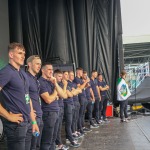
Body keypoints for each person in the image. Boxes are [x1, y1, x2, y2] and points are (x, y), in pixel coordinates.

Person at [0, 42, 39, 150]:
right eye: (20, 53)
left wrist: (33, 121)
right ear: (11, 55)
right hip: (15, 126)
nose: (23, 56)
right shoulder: (6, 72)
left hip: (27, 123)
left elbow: (28, 98)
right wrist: (8, 115)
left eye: (24, 53)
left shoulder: (22, 74)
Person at [39, 63, 66, 150]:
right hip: (48, 113)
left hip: (55, 112)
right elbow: (48, 100)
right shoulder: (41, 82)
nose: (51, 71)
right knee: (47, 141)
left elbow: (63, 95)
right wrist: (55, 91)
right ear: (43, 70)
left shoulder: (51, 82)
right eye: (49, 69)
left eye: (52, 69)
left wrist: (55, 84)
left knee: (53, 139)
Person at [26, 55, 43, 150]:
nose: (39, 66)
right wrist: (31, 113)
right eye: (37, 63)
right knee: (32, 146)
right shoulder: (26, 78)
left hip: (39, 115)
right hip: (33, 117)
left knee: (37, 145)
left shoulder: (35, 79)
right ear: (29, 64)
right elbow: (26, 97)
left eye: (40, 64)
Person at [63, 71, 80, 148]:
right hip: (67, 104)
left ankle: (69, 137)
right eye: (66, 74)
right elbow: (70, 94)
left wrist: (73, 91)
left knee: (72, 121)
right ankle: (70, 139)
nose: (67, 76)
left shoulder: (67, 84)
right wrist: (73, 91)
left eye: (67, 74)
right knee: (69, 123)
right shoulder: (64, 84)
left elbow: (79, 90)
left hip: (71, 104)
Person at [54, 69, 69, 150]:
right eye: (59, 76)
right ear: (55, 75)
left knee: (59, 127)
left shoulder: (59, 84)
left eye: (61, 76)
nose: (61, 78)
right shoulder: (55, 84)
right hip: (57, 107)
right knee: (56, 128)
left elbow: (63, 95)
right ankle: (58, 144)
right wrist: (65, 86)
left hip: (60, 106)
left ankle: (58, 143)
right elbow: (63, 95)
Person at [73, 68, 90, 134]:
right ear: (78, 72)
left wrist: (86, 83)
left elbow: (84, 87)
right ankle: (79, 128)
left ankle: (82, 126)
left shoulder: (80, 79)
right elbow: (80, 88)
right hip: (80, 98)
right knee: (80, 115)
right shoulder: (76, 79)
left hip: (84, 97)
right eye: (81, 72)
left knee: (82, 114)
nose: (82, 73)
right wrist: (85, 82)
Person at [68, 71, 83, 138]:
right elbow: (72, 93)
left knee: (75, 118)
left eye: (73, 75)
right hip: (72, 102)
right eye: (71, 75)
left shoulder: (74, 83)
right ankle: (72, 132)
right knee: (72, 119)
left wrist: (75, 90)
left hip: (76, 102)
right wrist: (76, 91)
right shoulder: (68, 84)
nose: (73, 76)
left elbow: (80, 90)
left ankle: (75, 130)